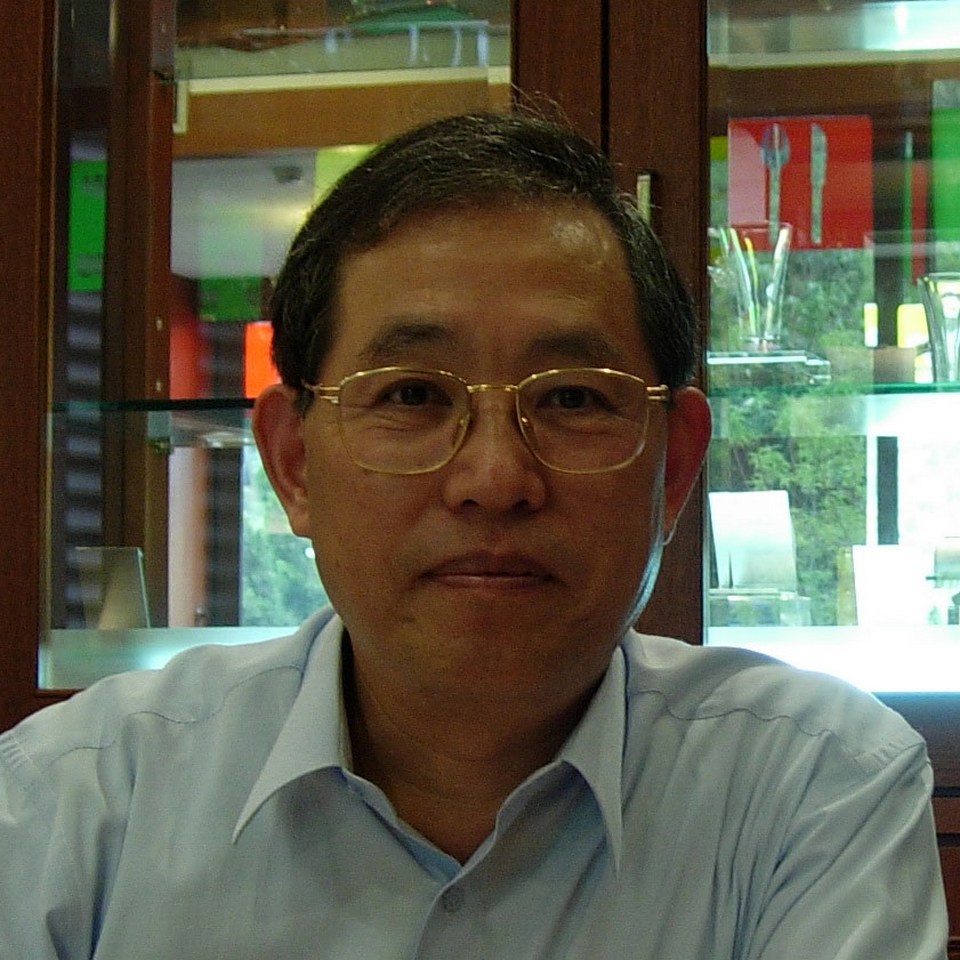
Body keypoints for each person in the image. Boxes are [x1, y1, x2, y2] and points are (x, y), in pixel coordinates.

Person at [0, 111, 948, 958]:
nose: (495, 481)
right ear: (293, 463)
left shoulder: (813, 790)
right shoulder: (73, 805)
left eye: (572, 399)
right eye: (412, 395)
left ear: (674, 469)